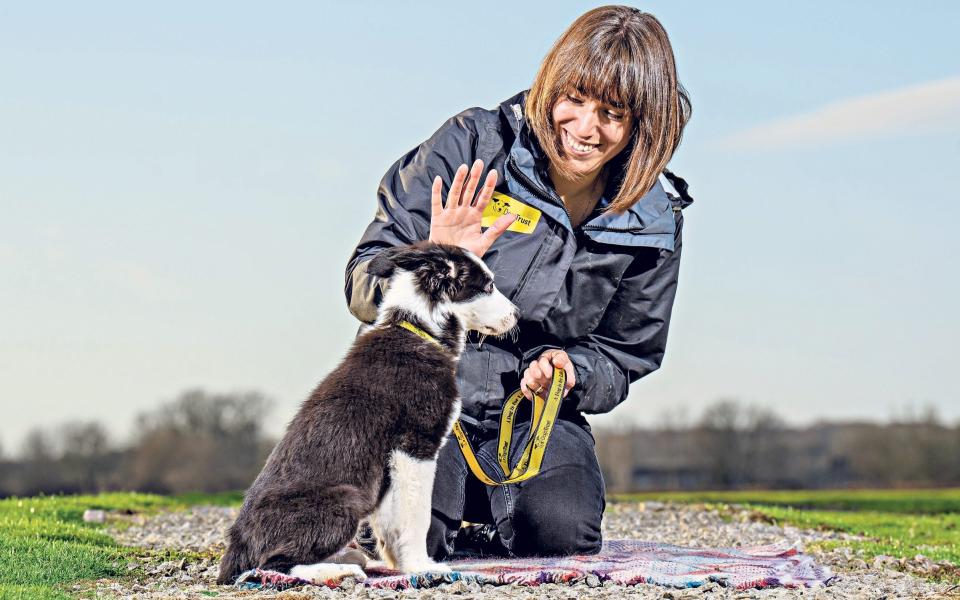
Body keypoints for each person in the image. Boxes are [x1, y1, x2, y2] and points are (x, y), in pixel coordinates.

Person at [344, 5, 693, 559]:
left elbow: (628, 351)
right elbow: (363, 281)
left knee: (562, 536)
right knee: (397, 538)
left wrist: (572, 369)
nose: (584, 128)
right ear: (550, 84)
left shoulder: (654, 219)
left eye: (612, 113)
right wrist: (437, 261)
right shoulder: (471, 144)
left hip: (535, 412)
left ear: (643, 124)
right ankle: (428, 505)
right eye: (573, 99)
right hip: (424, 389)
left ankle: (483, 511)